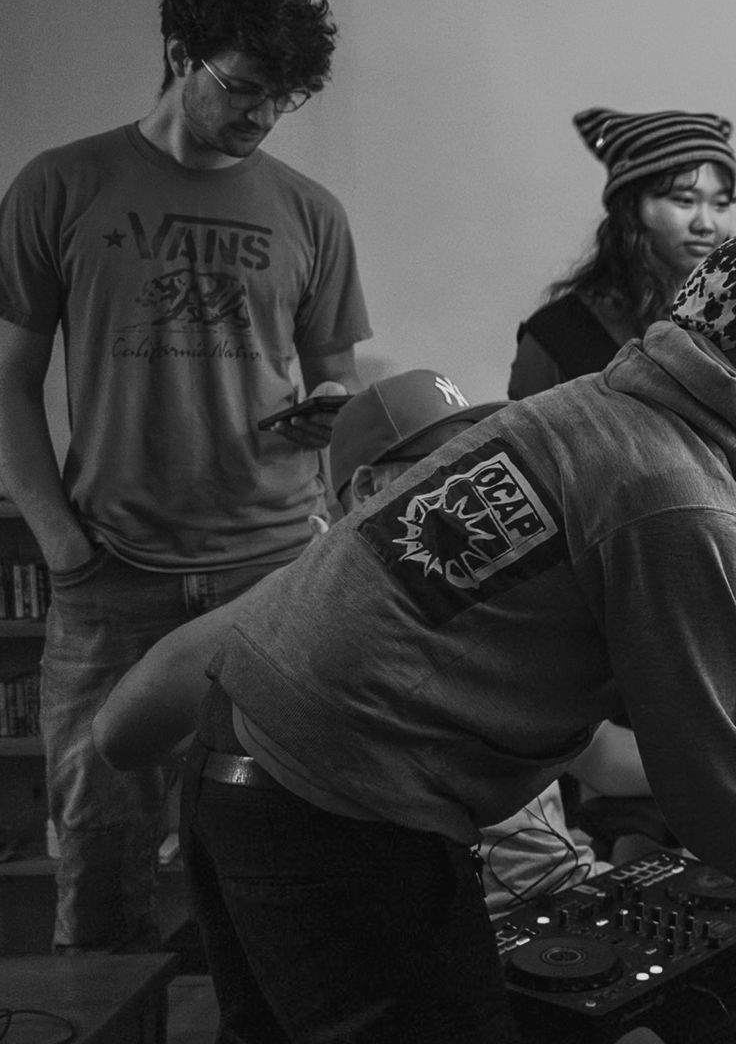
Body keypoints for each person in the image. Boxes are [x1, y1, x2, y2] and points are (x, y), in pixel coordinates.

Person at [177, 226, 736, 1041]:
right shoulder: (675, 489)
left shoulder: (621, 422)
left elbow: (724, 638)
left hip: (235, 758)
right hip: (337, 802)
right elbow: (705, 784)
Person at [0, 0, 369, 953]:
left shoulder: (309, 212)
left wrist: (333, 405)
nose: (261, 116)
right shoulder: (60, 185)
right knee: (100, 848)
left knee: (282, 835)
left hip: (275, 566)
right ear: (178, 54)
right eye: (243, 87)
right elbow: (9, 376)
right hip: (114, 573)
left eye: (284, 97)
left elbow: (339, 374)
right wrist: (60, 542)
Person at [89, 367, 650, 919]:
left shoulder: (500, 611)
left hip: (571, 892)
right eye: (443, 465)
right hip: (448, 927)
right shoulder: (303, 620)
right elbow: (120, 733)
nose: (472, 481)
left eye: (478, 458)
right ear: (367, 491)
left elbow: (604, 759)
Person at [510, 107, 736, 696]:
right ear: (631, 207)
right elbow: (537, 505)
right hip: (621, 600)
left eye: (721, 201)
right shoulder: (559, 336)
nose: (707, 222)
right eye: (684, 199)